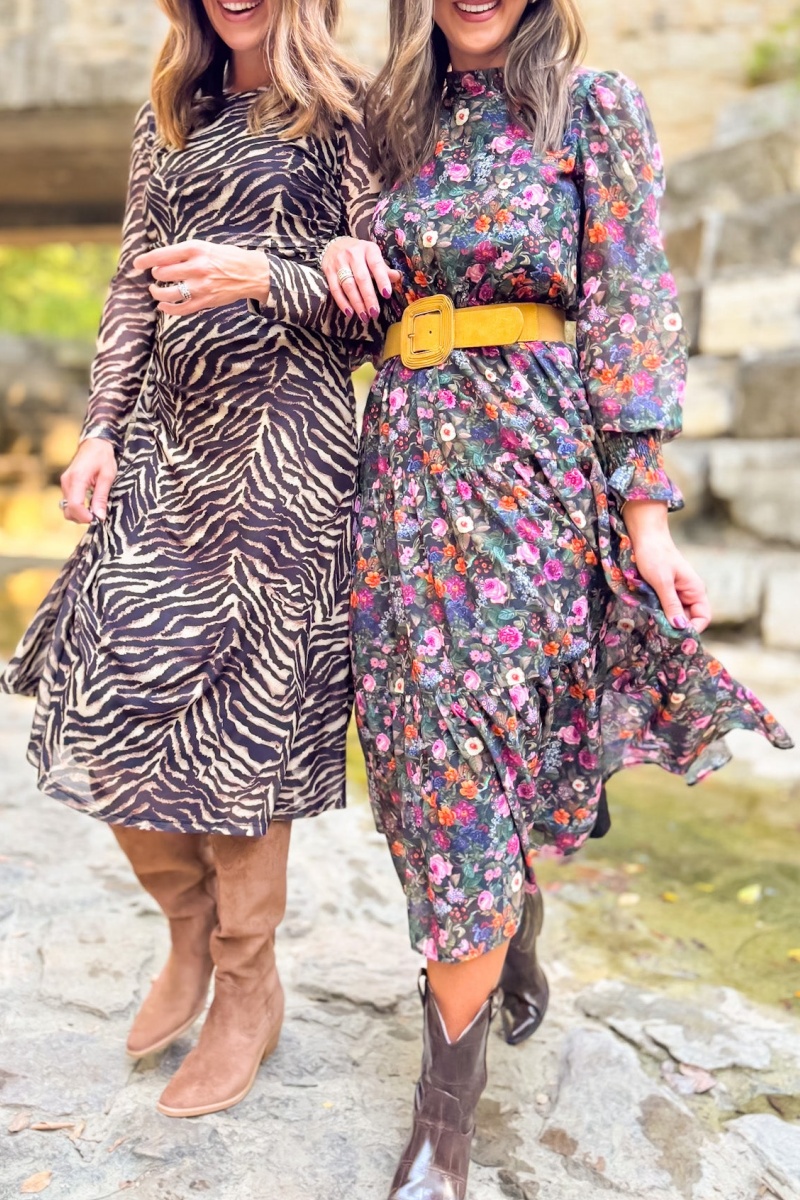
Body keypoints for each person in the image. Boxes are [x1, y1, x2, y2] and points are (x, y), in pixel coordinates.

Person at [321, 0, 794, 1195]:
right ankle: (502, 931)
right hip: (402, 476)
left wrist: (645, 519)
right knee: (421, 755)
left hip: (530, 473)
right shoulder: (385, 124)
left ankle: (442, 1121)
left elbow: (629, 304)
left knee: (487, 742)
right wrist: (333, 261)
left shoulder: (592, 107)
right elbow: (341, 310)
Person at [0, 0, 394, 1119]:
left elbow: (386, 304)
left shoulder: (353, 109)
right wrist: (100, 431)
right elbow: (135, 284)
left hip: (285, 452)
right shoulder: (170, 111)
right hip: (167, 446)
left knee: (242, 718)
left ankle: (245, 982)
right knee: (109, 674)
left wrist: (265, 274)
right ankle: (187, 929)